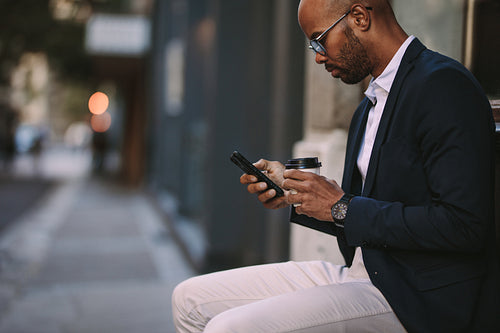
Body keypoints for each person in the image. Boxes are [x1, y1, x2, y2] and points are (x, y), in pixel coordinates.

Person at [172, 0, 500, 332]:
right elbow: (359, 213)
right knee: (189, 299)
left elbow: (464, 225)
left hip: (415, 297)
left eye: (319, 39)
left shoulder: (442, 85)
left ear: (359, 17)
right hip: (362, 272)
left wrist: (340, 206)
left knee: (230, 329)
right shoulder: (368, 106)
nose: (317, 56)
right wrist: (297, 194)